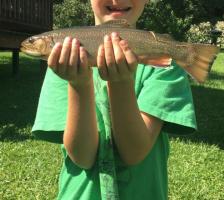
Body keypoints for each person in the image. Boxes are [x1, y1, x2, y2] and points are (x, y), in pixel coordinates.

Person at [32, 0, 197, 199]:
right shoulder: (62, 65)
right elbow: (82, 157)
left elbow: (133, 153)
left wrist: (121, 82)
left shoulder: (167, 67)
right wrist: (78, 84)